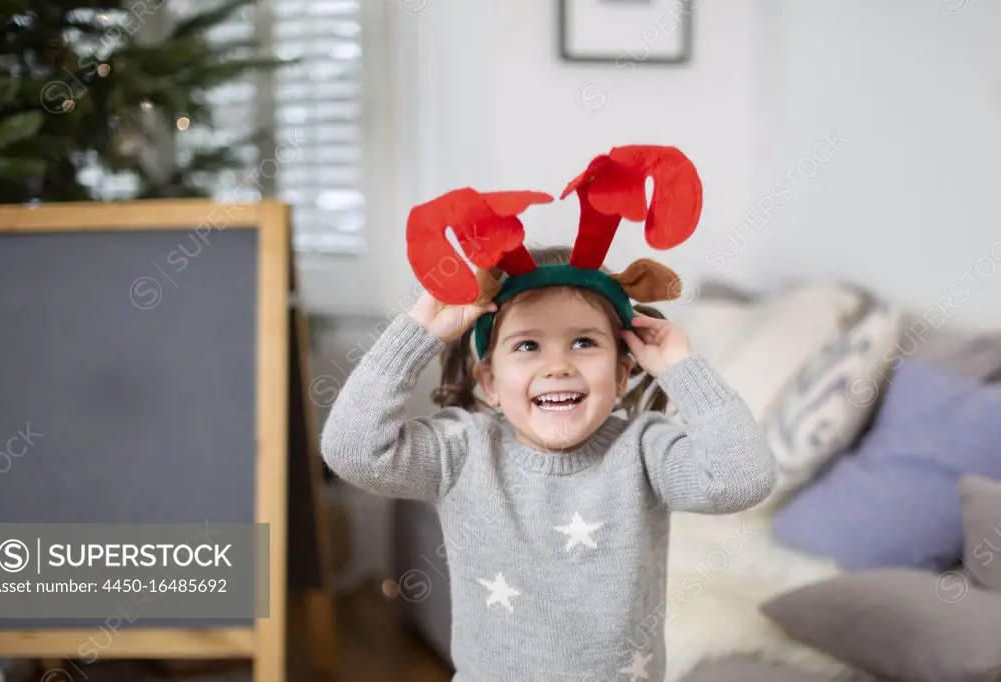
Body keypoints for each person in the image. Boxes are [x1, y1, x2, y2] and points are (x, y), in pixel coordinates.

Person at [320, 145, 777, 681]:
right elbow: (352, 451)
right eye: (528, 347)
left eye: (584, 343)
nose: (557, 366)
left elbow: (744, 477)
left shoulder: (646, 450)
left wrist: (681, 367)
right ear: (488, 382)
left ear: (624, 370)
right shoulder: (463, 450)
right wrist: (416, 335)